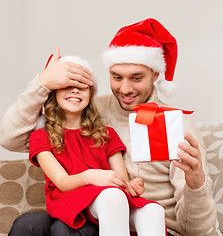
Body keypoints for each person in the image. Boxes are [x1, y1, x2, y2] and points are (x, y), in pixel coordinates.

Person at [0, 18, 217, 236]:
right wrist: (42, 83)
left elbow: (200, 229)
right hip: (89, 211)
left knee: (67, 228)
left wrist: (196, 184)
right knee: (28, 224)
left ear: (156, 74)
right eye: (117, 77)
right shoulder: (90, 110)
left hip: (143, 220)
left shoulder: (177, 126)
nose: (125, 88)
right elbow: (11, 139)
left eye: (136, 78)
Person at [28, 55, 166, 236]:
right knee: (113, 196)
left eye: (82, 86)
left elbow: (120, 181)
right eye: (68, 86)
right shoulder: (41, 136)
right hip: (71, 199)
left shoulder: (106, 134)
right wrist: (91, 176)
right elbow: (62, 183)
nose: (75, 91)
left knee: (154, 211)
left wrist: (130, 186)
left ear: (90, 93)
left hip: (109, 199)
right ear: (53, 93)